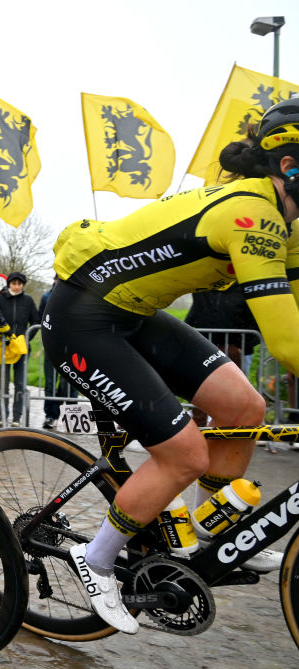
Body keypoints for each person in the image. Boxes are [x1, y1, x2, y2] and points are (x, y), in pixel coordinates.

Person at [41, 98, 299, 634]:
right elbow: (288, 343)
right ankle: (98, 556)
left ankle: (217, 528)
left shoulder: (286, 225)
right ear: (288, 165)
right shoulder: (253, 217)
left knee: (243, 406)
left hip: (133, 313)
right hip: (82, 317)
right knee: (185, 454)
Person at [184, 283, 260, 428]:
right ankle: (200, 426)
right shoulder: (203, 286)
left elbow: (254, 316)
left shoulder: (244, 286)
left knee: (235, 391)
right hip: (204, 344)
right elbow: (196, 310)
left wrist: (244, 345)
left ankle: (232, 428)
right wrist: (185, 330)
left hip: (237, 347)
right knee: (200, 386)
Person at [0, 272, 38, 425]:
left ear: (23, 285)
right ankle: (2, 415)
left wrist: (25, 339)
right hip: (3, 347)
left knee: (20, 383)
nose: (17, 286)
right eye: (14, 283)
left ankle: (16, 417)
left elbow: (35, 322)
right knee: (2, 383)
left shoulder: (28, 300)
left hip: (21, 349)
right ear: (9, 284)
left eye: (19, 284)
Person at [37, 275, 77, 429]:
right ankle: (51, 416)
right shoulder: (47, 297)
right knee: (50, 384)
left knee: (71, 384)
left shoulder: (78, 296)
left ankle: (72, 419)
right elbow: (40, 320)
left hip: (72, 347)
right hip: (52, 347)